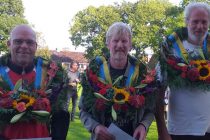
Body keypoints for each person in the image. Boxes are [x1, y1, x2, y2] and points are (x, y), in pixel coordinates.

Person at [79, 22, 156, 140]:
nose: (120, 45)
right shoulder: (94, 72)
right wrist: (95, 127)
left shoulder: (142, 73)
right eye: (115, 41)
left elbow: (150, 109)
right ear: (108, 43)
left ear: (130, 45)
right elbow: (83, 109)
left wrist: (143, 125)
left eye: (124, 41)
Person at [0, 24, 70, 140]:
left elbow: (60, 114)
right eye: (18, 41)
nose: (24, 46)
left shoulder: (50, 73)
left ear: (36, 46)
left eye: (29, 42)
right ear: (9, 44)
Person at [155, 2, 210, 140]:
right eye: (195, 21)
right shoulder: (171, 49)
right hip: (181, 131)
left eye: (204, 22)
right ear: (186, 22)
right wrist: (162, 131)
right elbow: (157, 93)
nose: (200, 26)